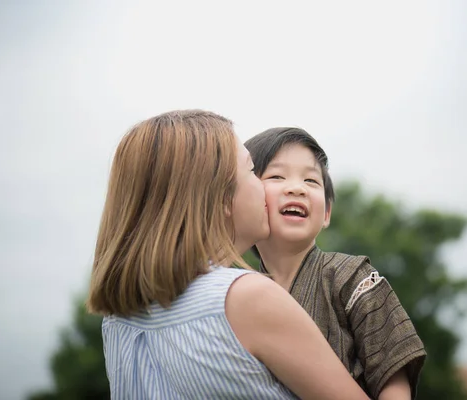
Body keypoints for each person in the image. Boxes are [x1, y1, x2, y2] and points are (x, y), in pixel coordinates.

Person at [86, 110, 370, 400]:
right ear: (222, 197)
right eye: (252, 171)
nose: (265, 186)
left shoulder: (117, 320)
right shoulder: (248, 297)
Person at [244, 127, 427, 400]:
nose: (296, 188)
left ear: (327, 212)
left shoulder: (352, 277)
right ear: (246, 198)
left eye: (311, 181)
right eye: (276, 176)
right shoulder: (238, 295)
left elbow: (393, 375)